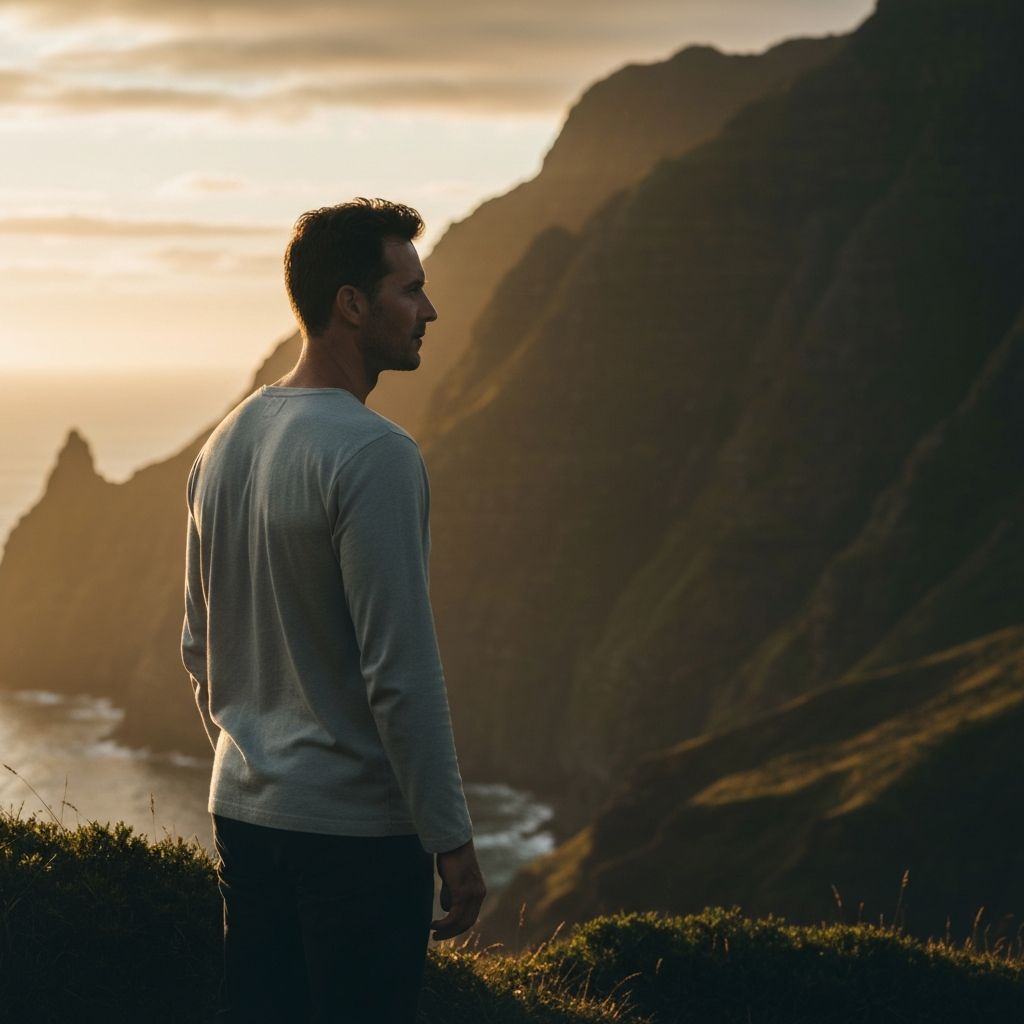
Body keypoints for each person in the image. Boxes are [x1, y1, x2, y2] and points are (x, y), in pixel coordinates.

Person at [181, 198, 486, 1023]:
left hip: (245, 814)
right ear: (352, 303)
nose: (428, 310)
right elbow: (401, 673)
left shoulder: (225, 442)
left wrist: (259, 762)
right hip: (355, 836)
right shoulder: (374, 454)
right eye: (410, 289)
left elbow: (199, 648)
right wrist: (450, 840)